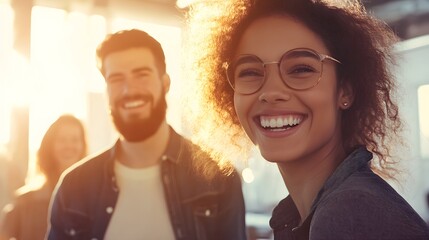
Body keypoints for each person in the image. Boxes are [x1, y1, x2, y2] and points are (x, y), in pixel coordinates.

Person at [185, 0, 429, 239]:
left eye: (301, 69)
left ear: (345, 91)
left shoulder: (347, 213)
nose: (270, 92)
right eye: (249, 72)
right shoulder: (315, 211)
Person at [47, 29, 246, 240]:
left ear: (165, 83)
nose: (128, 90)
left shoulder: (217, 181)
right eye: (116, 79)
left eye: (141, 75)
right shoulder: (74, 186)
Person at [0, 114, 87, 240]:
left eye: (75, 139)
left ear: (83, 145)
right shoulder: (25, 202)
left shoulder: (93, 201)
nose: (69, 146)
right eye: (62, 140)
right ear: (49, 146)